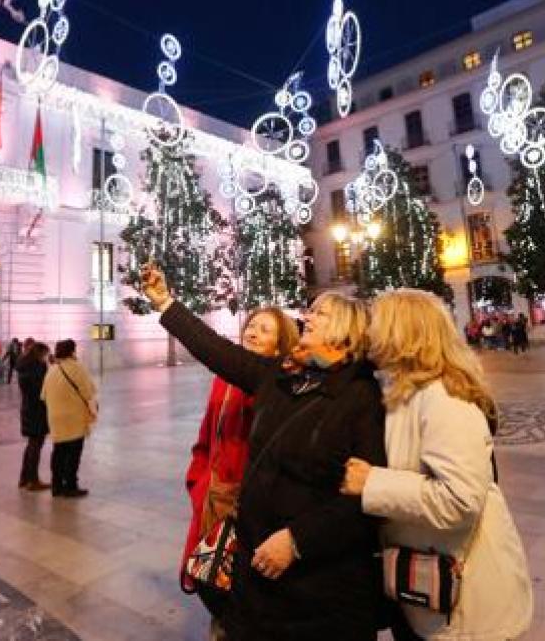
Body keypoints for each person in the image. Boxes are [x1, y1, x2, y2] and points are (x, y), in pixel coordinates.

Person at [141, 263, 386, 641]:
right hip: (255, 578)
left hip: (319, 589)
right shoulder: (279, 373)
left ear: (345, 331)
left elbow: (365, 499)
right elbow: (216, 349)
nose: (307, 317)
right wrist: (165, 303)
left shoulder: (361, 397)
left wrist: (297, 540)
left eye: (319, 313)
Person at [341, 290, 532, 641]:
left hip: (463, 600)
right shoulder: (405, 391)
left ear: (403, 333)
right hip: (425, 587)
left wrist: (372, 484)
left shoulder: (444, 398)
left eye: (376, 323)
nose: (369, 332)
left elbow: (460, 500)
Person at [182, 307, 299, 638]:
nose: (253, 332)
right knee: (210, 577)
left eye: (265, 329)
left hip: (248, 507)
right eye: (252, 325)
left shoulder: (275, 387)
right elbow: (205, 438)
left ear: (280, 346)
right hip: (212, 499)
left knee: (241, 588)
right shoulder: (222, 380)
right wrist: (198, 482)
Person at [41, 340, 98, 498]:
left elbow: (43, 395)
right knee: (73, 454)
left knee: (58, 452)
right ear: (72, 351)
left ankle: (57, 486)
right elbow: (89, 392)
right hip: (73, 419)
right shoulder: (77, 368)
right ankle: (70, 486)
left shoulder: (52, 369)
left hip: (56, 418)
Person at [17, 341, 51, 491]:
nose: (45, 358)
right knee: (36, 445)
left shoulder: (24, 366)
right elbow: (42, 389)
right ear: (39, 354)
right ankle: (33, 480)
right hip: (37, 410)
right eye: (45, 355)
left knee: (32, 444)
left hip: (28, 409)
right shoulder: (37, 368)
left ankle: (24, 478)